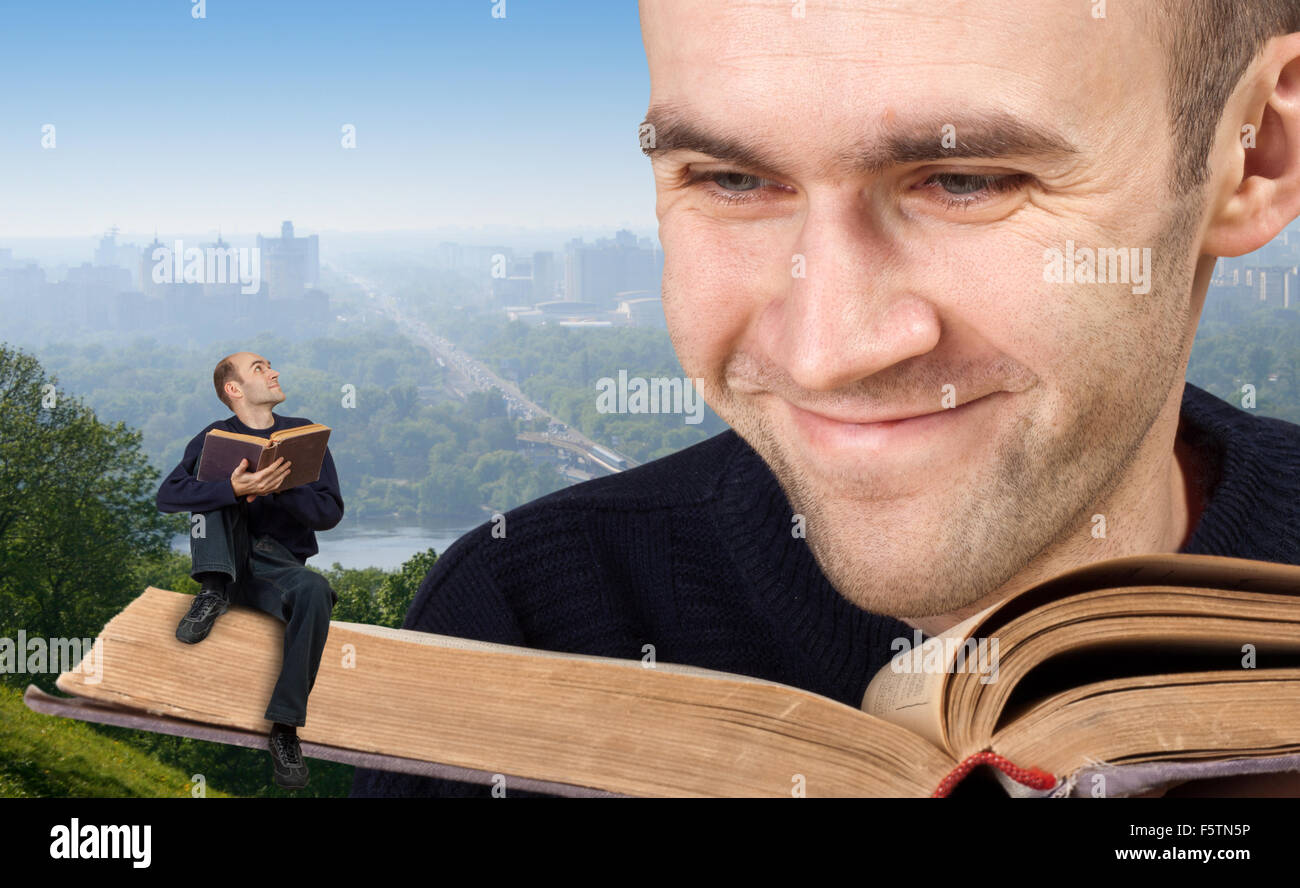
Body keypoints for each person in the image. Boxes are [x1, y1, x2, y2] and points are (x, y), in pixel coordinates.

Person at [352, 0, 1300, 797]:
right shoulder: (522, 623)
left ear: (1259, 154)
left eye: (966, 181)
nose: (827, 351)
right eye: (731, 179)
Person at [157, 351, 344, 790]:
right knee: (211, 491)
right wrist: (232, 488)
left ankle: (284, 730)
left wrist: (281, 488)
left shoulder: (304, 435)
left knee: (316, 590)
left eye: (270, 366)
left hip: (275, 567)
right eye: (260, 368)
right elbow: (169, 496)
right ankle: (214, 592)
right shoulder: (214, 436)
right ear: (234, 390)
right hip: (223, 555)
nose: (274, 372)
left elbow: (329, 513)